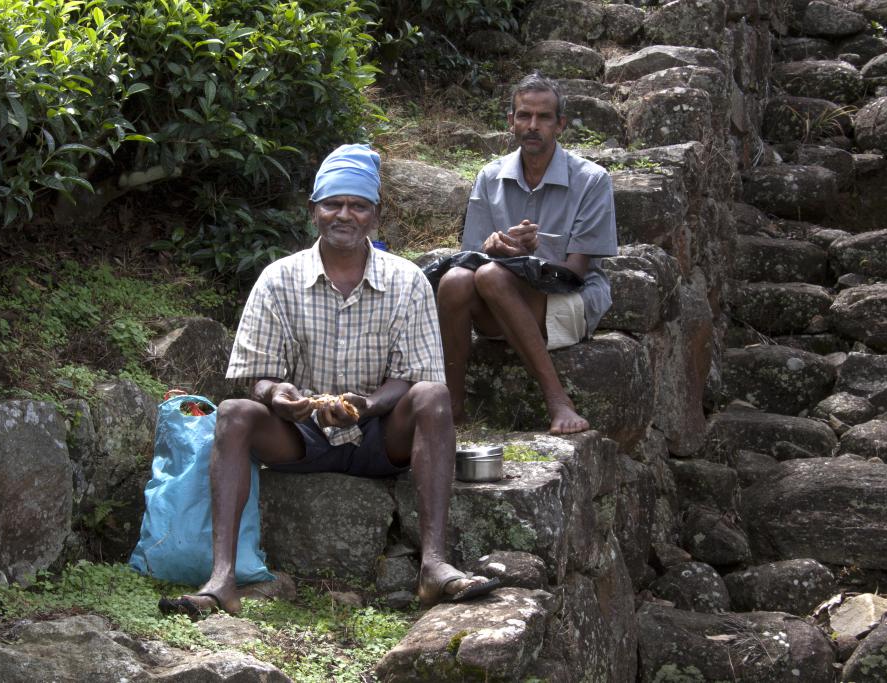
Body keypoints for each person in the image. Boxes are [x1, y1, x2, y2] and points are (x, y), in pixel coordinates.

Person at [158, 144, 499, 619]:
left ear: (375, 216)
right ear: (314, 211)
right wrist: (280, 396)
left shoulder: (407, 281)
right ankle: (222, 579)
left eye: (358, 205)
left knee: (434, 395)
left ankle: (434, 565)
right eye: (333, 204)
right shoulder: (278, 279)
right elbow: (256, 378)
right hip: (302, 436)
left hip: (382, 437)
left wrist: (372, 403)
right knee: (235, 412)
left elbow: (413, 375)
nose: (345, 215)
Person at [436, 73, 618, 435]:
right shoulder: (490, 177)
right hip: (502, 297)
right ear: (511, 121)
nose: (532, 126)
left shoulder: (592, 180)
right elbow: (471, 258)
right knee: (456, 279)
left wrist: (529, 258)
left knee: (491, 275)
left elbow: (577, 273)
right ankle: (451, 409)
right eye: (524, 116)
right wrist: (491, 250)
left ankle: (557, 400)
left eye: (544, 117)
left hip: (567, 299)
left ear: (560, 125)